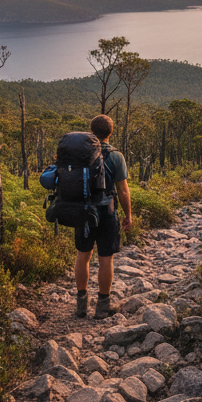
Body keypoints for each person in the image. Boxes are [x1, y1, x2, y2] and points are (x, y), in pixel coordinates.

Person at [74, 114, 132, 319]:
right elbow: (123, 191)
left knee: (83, 254)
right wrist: (128, 216)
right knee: (105, 258)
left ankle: (81, 305)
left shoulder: (80, 154)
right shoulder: (116, 156)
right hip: (107, 212)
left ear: (91, 131)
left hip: (83, 212)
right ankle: (102, 305)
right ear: (111, 132)